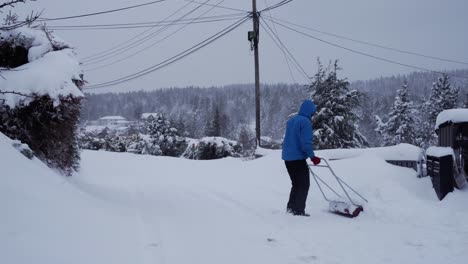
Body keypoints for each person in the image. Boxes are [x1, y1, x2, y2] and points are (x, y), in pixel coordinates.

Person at [282, 100, 321, 216]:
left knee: (296, 184)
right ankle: (299, 211)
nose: (313, 115)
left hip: (287, 158)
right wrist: (312, 157)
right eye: (313, 112)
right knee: (304, 184)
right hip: (297, 158)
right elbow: (306, 143)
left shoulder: (292, 120)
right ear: (310, 111)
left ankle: (291, 208)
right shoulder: (305, 122)